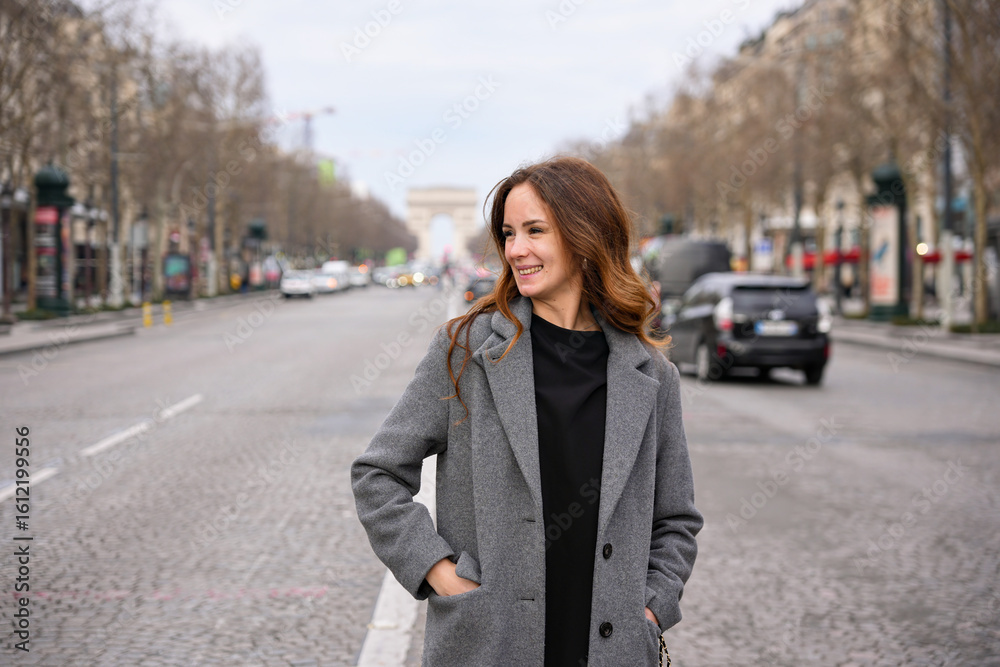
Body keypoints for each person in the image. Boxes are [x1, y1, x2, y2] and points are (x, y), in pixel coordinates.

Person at [351, 156, 702, 666]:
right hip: (490, 643)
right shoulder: (465, 351)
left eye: (535, 231)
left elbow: (675, 519)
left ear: (586, 237)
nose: (516, 250)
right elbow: (377, 474)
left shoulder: (652, 374)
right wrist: (438, 571)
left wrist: (649, 609)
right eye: (509, 234)